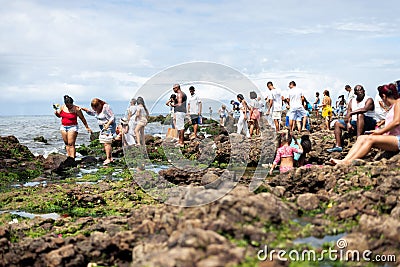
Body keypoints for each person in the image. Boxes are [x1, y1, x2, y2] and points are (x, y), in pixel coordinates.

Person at [330, 83, 400, 165]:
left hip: (397, 138)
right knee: (361, 138)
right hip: (391, 137)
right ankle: (345, 160)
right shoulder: (393, 106)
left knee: (370, 139)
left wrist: (380, 132)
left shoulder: (398, 103)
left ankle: (349, 162)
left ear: (384, 96)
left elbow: (397, 121)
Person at [327, 85, 376, 153]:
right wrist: (348, 123)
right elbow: (348, 114)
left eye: (361, 90)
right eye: (357, 90)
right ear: (355, 93)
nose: (359, 92)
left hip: (368, 123)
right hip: (355, 122)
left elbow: (364, 109)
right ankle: (338, 146)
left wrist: (351, 113)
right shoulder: (352, 101)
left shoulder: (369, 100)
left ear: (364, 91)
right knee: (337, 123)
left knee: (360, 115)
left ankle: (358, 140)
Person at [82, 98, 116, 165]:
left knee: (107, 142)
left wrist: (108, 124)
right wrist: (86, 110)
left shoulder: (106, 107)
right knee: (105, 142)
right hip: (102, 127)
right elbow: (93, 113)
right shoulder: (97, 110)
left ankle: (108, 159)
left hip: (108, 125)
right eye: (93, 108)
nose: (95, 109)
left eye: (95, 108)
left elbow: (112, 117)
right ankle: (110, 157)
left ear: (99, 105)